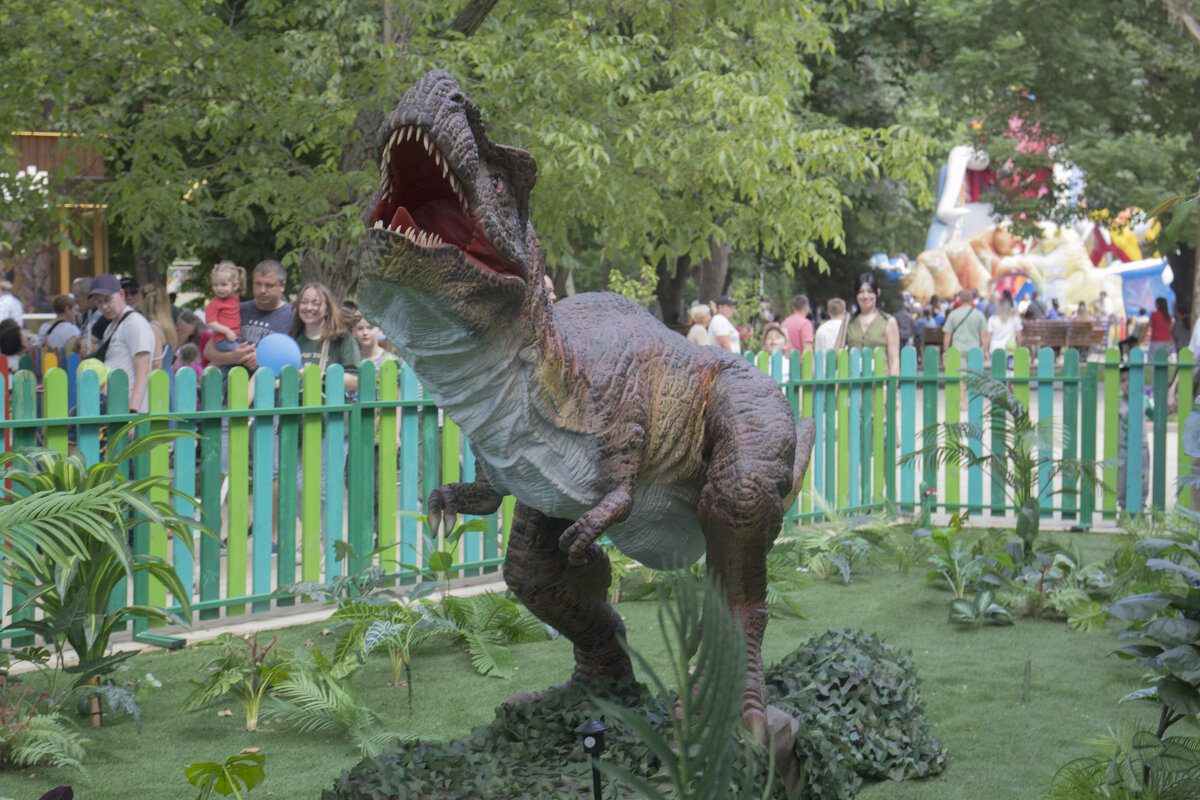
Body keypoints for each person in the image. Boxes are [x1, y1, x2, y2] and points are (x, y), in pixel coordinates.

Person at [203, 259, 294, 370]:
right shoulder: (237, 309)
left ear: (282, 286)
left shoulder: (292, 316)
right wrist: (231, 357)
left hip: (269, 384)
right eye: (258, 284)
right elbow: (208, 351)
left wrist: (263, 360)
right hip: (234, 382)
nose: (262, 290)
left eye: (269, 285)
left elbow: (295, 357)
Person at [88, 273, 155, 413]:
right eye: (99, 302)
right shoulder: (112, 326)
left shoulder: (135, 323)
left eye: (108, 300)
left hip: (128, 409)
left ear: (121, 294)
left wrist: (132, 413)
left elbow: (143, 372)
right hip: (115, 406)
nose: (104, 307)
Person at [288, 282, 360, 395]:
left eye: (316, 303)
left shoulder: (343, 339)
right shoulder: (292, 339)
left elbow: (355, 381)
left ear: (327, 309)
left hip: (331, 410)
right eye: (304, 302)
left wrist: (321, 377)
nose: (309, 307)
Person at [842, 272, 900, 376]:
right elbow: (837, 352)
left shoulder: (888, 321)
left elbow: (894, 359)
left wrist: (892, 387)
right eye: (861, 292)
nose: (865, 296)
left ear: (878, 293)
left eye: (870, 291)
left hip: (880, 384)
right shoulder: (848, 320)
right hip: (853, 384)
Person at [205, 261, 247, 354]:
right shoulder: (214, 303)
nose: (219, 288)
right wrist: (227, 331)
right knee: (244, 353)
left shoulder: (235, 298)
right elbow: (210, 322)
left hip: (234, 338)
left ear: (235, 285)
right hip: (222, 340)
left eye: (223, 285)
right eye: (216, 285)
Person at [943, 289, 990, 354]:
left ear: (960, 299)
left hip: (957, 349)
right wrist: (985, 351)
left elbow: (947, 334)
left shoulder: (953, 314)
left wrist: (945, 350)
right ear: (971, 299)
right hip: (974, 349)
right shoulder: (979, 315)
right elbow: (983, 335)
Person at [986, 292, 1022, 357]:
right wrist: (1018, 347)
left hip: (994, 349)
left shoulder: (992, 319)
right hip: (1010, 349)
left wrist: (986, 350)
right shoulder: (1014, 319)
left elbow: (988, 336)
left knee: (995, 367)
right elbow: (1019, 335)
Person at [1148, 296, 1172, 363]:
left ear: (1158, 304)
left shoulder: (1154, 314)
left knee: (1152, 358)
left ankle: (1154, 373)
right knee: (1163, 359)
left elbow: (1149, 324)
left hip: (1156, 340)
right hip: (1167, 340)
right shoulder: (1168, 317)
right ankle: (1163, 373)